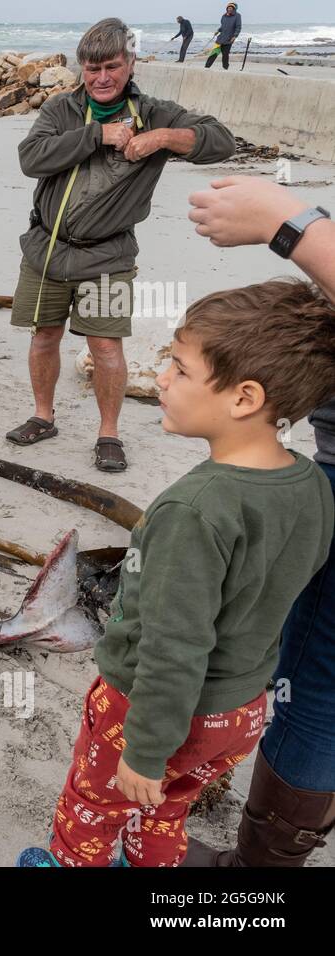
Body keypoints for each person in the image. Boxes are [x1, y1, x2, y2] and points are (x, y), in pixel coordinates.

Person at [18, 277, 335, 866]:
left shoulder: (193, 510)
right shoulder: (311, 482)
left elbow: (174, 644)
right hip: (240, 710)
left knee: (93, 807)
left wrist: (146, 747)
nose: (161, 379)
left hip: (156, 709)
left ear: (244, 398)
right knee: (165, 808)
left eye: (180, 369)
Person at [182, 177, 335, 865]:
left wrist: (290, 224)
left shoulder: (205, 506)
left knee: (317, 686)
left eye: (179, 370)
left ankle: (260, 872)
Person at [5, 17, 234, 472]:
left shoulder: (154, 112)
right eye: (92, 69)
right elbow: (30, 159)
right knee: (44, 337)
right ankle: (43, 416)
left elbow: (221, 141)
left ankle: (108, 434)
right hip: (45, 250)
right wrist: (97, 135)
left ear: (130, 64)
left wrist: (164, 138)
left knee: (106, 348)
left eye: (111, 66)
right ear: (81, 70)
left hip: (108, 255)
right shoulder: (61, 110)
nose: (102, 78)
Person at [204, 3, 242, 70]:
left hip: (228, 39)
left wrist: (235, 36)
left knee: (225, 55)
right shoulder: (224, 16)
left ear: (234, 9)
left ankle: (225, 68)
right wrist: (218, 30)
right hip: (220, 39)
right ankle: (207, 67)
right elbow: (222, 26)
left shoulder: (237, 16)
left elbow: (238, 27)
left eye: (231, 8)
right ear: (226, 9)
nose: (229, 9)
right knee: (214, 53)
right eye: (228, 8)